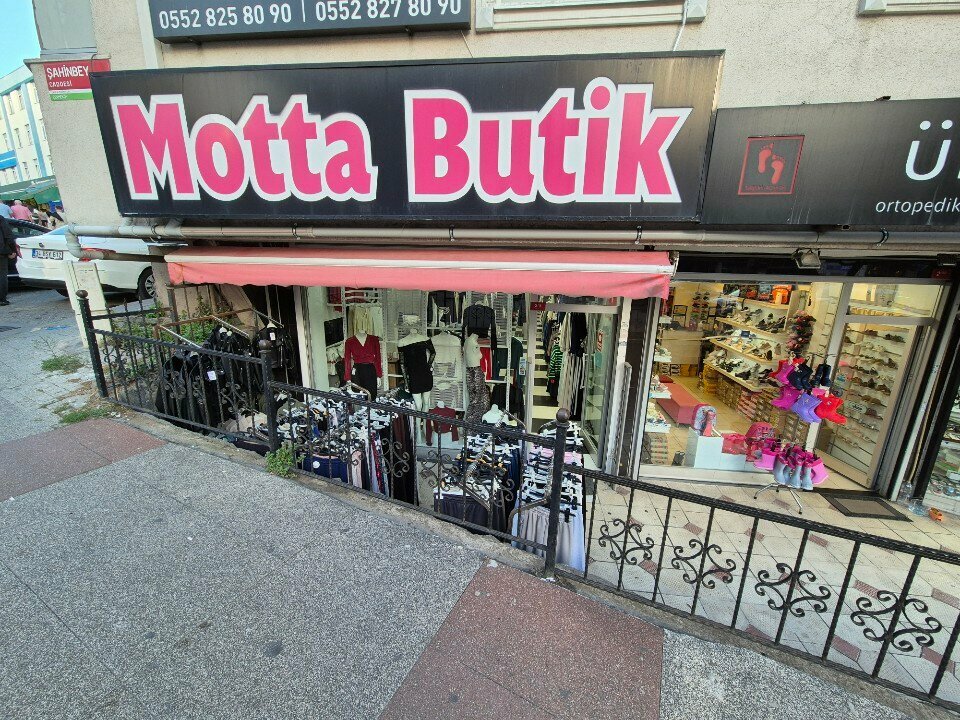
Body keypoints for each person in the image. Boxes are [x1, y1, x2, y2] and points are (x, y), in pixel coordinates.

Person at [0, 215, 14, 306]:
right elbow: (8, 235)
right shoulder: (1, 219)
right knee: (2, 275)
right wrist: (12, 250)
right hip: (1, 252)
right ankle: (2, 299)